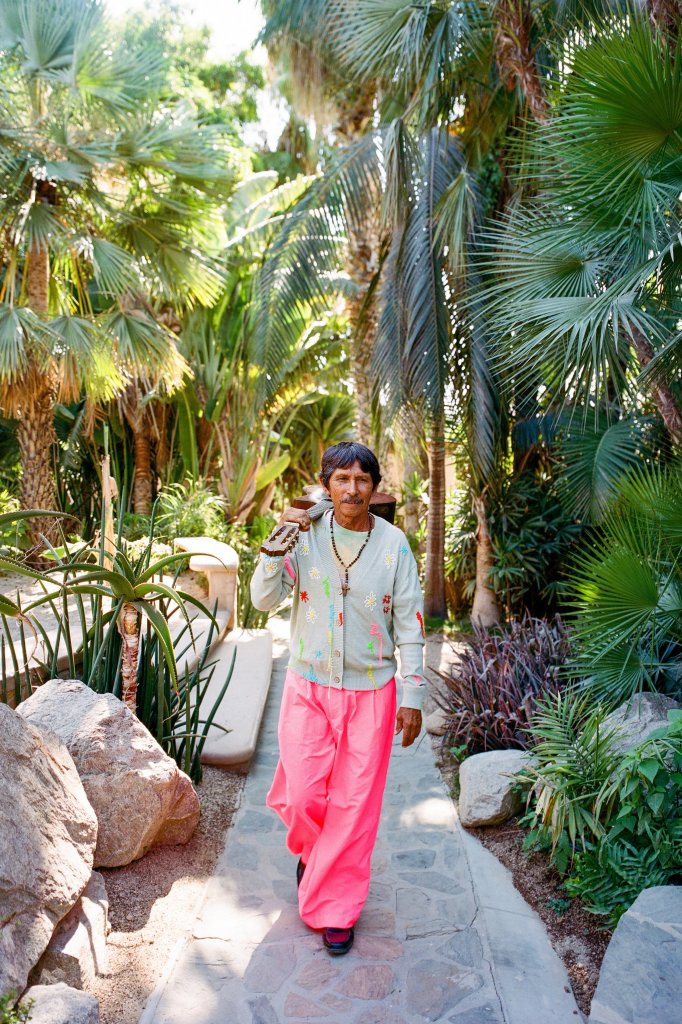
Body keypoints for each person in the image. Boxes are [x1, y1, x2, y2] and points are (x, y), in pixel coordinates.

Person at [250, 441, 426, 956]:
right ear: (326, 484)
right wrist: (277, 540)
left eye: (362, 479)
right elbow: (262, 598)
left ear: (374, 487)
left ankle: (337, 909)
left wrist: (413, 695)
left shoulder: (394, 546)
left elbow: (410, 625)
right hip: (308, 686)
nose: (352, 488)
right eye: (342, 479)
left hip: (372, 694)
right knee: (304, 794)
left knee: (353, 808)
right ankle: (312, 852)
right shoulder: (304, 537)